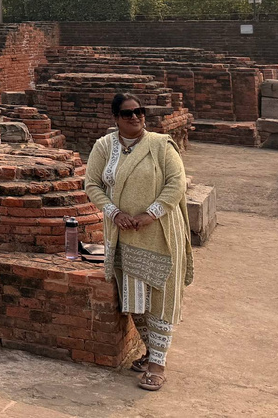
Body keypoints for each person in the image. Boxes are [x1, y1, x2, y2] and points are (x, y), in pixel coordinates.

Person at [85, 93, 193, 392]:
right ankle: (149, 352)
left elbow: (176, 183)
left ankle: (158, 364)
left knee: (161, 299)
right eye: (127, 113)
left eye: (139, 112)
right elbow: (92, 184)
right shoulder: (104, 147)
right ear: (115, 118)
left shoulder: (160, 145)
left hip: (159, 233)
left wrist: (151, 213)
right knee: (135, 301)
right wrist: (114, 212)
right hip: (123, 234)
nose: (135, 117)